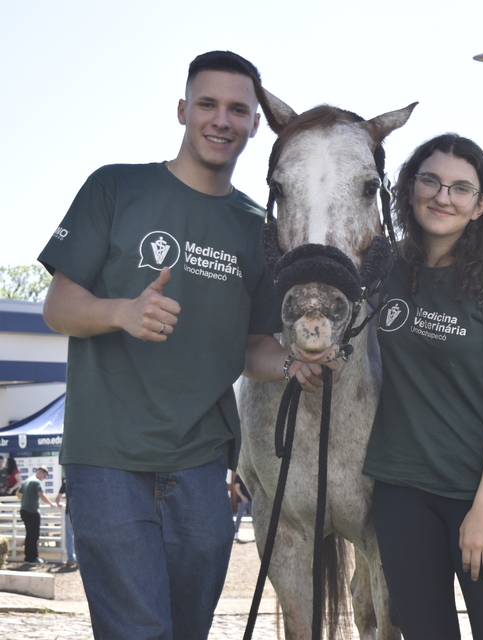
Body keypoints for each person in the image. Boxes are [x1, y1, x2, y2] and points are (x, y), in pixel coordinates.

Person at [38, 51, 328, 639]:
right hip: (109, 458)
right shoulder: (116, 186)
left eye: (237, 110)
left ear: (253, 125)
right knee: (140, 630)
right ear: (182, 110)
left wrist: (295, 363)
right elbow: (57, 306)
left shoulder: (257, 229)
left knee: (186, 629)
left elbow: (250, 348)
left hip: (201, 465)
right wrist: (122, 311)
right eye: (208, 104)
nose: (221, 120)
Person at [363, 133, 483, 639]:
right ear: (410, 187)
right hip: (402, 492)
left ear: (481, 205)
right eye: (431, 181)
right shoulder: (385, 269)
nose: (443, 197)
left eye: (461, 188)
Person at [17, 465, 54, 563]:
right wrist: (51, 504)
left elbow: (18, 493)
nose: (44, 478)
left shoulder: (27, 481)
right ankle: (33, 557)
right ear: (40, 472)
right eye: (44, 475)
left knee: (29, 534)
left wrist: (25, 501)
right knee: (34, 535)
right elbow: (41, 494)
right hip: (32, 511)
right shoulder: (36, 482)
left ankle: (28, 557)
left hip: (24, 510)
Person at [56, 477, 77, 565]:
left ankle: (71, 558)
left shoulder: (66, 482)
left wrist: (59, 504)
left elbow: (58, 499)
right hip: (81, 513)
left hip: (69, 511)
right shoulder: (81, 481)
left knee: (69, 536)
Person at [231, 472, 253, 542]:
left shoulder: (251, 475)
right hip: (242, 500)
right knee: (239, 516)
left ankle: (256, 534)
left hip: (252, 499)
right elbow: (236, 487)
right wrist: (242, 496)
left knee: (255, 517)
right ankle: (236, 533)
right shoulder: (239, 476)